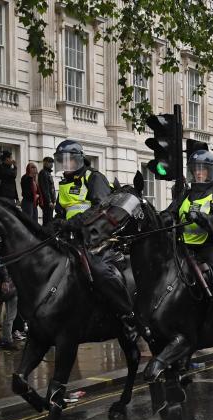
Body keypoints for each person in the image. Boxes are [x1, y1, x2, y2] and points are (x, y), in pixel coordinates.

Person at [54, 139, 142, 342]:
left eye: (68, 160)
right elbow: (61, 212)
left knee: (101, 272)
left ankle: (128, 316)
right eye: (62, 161)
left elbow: (101, 209)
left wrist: (76, 222)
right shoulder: (64, 184)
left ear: (78, 159)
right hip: (70, 239)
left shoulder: (94, 178)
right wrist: (55, 224)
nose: (65, 165)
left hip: (96, 238)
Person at [163, 149, 213, 336]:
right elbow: (171, 212)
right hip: (183, 247)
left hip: (210, 248)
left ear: (210, 171)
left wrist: (202, 219)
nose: (198, 173)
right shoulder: (185, 194)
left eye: (202, 169)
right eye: (195, 169)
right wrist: (166, 218)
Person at [39, 157, 57, 224]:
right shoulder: (43, 173)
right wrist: (49, 201)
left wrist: (54, 200)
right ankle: (47, 233)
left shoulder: (48, 173)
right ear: (44, 163)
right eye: (49, 162)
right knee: (47, 220)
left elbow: (52, 188)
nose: (51, 164)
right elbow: (45, 188)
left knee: (49, 219)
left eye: (52, 163)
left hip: (50, 201)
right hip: (47, 202)